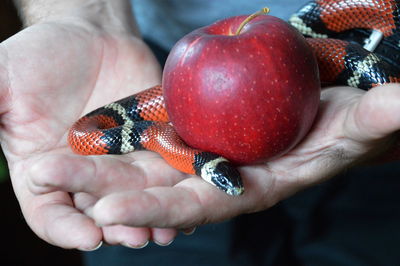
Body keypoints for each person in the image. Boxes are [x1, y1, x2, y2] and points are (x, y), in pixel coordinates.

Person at [2, 0, 400, 265]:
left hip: (332, 83)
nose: (233, 183)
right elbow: (87, 135)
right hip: (157, 58)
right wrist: (83, 18)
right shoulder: (153, 134)